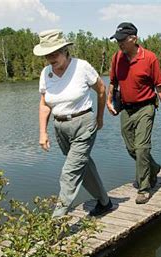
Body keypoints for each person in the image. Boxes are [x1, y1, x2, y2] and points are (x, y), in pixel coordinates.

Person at [34, 29, 113, 217]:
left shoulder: (81, 67)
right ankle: (105, 201)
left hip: (83, 124)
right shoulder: (46, 73)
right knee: (82, 165)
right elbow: (45, 104)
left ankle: (55, 222)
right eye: (47, 55)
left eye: (54, 53)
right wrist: (42, 133)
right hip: (60, 127)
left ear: (65, 50)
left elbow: (101, 90)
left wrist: (100, 117)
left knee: (69, 173)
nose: (51, 58)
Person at [107, 22, 161, 204]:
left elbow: (160, 87)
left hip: (146, 107)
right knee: (131, 148)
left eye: (122, 40)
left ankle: (144, 188)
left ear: (133, 39)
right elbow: (113, 82)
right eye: (117, 40)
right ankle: (153, 167)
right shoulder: (116, 58)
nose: (119, 43)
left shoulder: (149, 58)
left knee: (142, 147)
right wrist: (108, 100)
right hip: (126, 109)